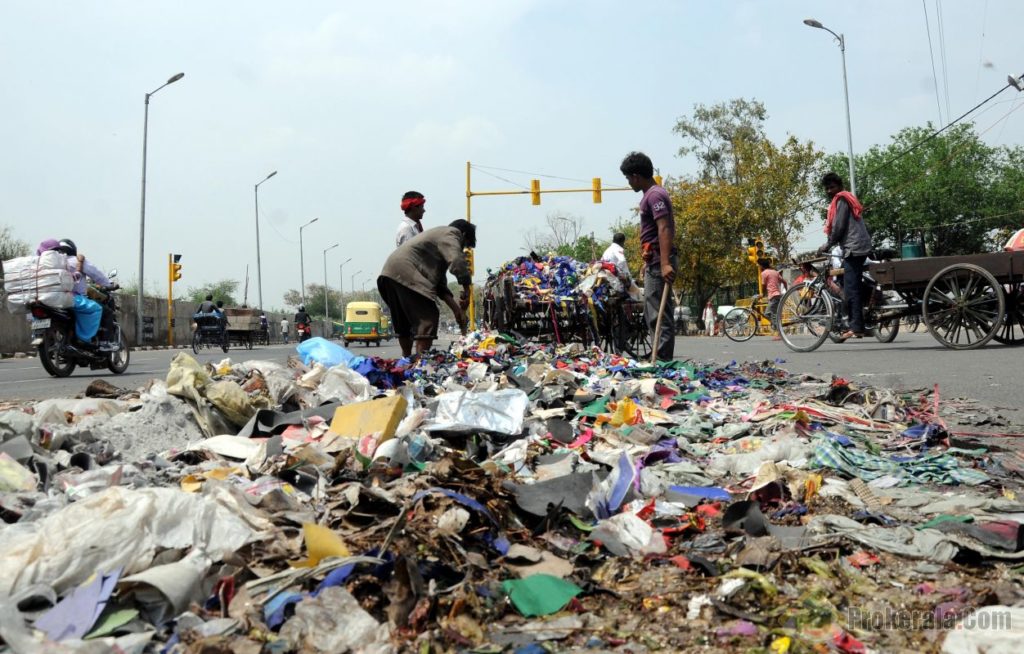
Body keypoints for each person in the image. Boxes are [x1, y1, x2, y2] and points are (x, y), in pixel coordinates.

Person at [378, 219, 475, 357]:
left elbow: (440, 286)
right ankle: (421, 363)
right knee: (428, 318)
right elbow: (457, 261)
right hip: (407, 274)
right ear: (464, 235)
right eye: (464, 245)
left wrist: (457, 310)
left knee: (404, 323)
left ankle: (406, 361)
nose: (462, 248)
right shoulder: (452, 234)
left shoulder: (436, 242)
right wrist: (467, 288)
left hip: (389, 274)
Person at [621, 151, 675, 360]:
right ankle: (658, 354)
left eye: (628, 178)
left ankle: (661, 359)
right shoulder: (650, 196)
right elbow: (653, 233)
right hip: (652, 260)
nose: (629, 183)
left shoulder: (655, 195)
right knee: (651, 312)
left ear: (636, 175)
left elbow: (664, 228)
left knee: (659, 314)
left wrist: (664, 264)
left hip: (659, 262)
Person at [818, 172, 872, 340]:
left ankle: (856, 328)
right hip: (859, 246)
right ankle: (862, 320)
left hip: (854, 248)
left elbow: (839, 227)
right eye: (827, 188)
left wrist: (827, 244)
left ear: (839, 186)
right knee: (854, 285)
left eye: (832, 187)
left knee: (850, 289)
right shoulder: (845, 198)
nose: (829, 191)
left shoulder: (841, 200)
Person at [41, 239, 117, 349]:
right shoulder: (76, 261)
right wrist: (108, 284)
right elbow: (96, 274)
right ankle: (101, 342)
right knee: (105, 312)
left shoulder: (50, 264)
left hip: (49, 297)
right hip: (74, 298)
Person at [759, 258, 786, 340]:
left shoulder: (764, 273)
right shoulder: (775, 272)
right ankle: (777, 331)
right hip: (778, 295)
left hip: (773, 296)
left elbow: (763, 285)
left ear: (761, 266)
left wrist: (762, 294)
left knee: (767, 314)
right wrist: (787, 292)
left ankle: (778, 329)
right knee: (775, 314)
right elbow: (784, 282)